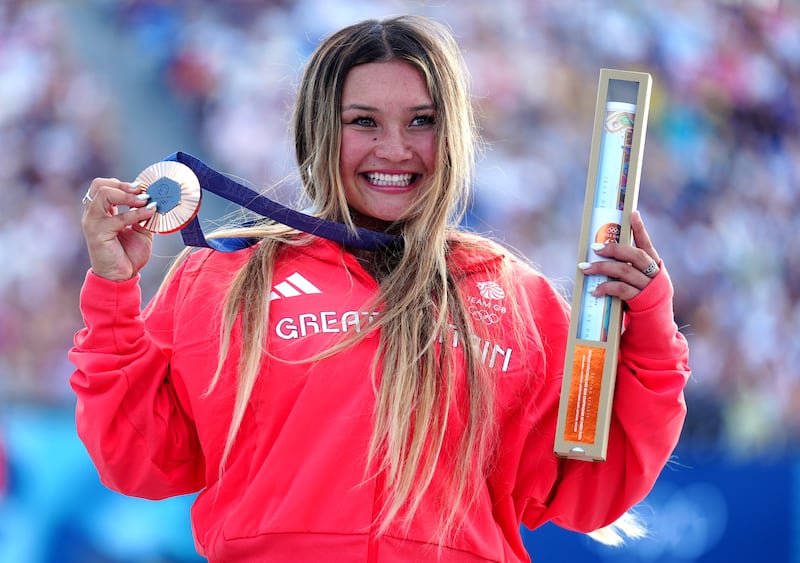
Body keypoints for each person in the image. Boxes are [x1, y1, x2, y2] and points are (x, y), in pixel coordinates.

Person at [69, 14, 690, 563]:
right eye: (363, 122)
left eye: (421, 121)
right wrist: (115, 294)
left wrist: (650, 329)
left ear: (451, 137)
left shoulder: (516, 299)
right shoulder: (228, 278)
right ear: (319, 132)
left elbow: (588, 491)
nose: (395, 150)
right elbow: (142, 460)